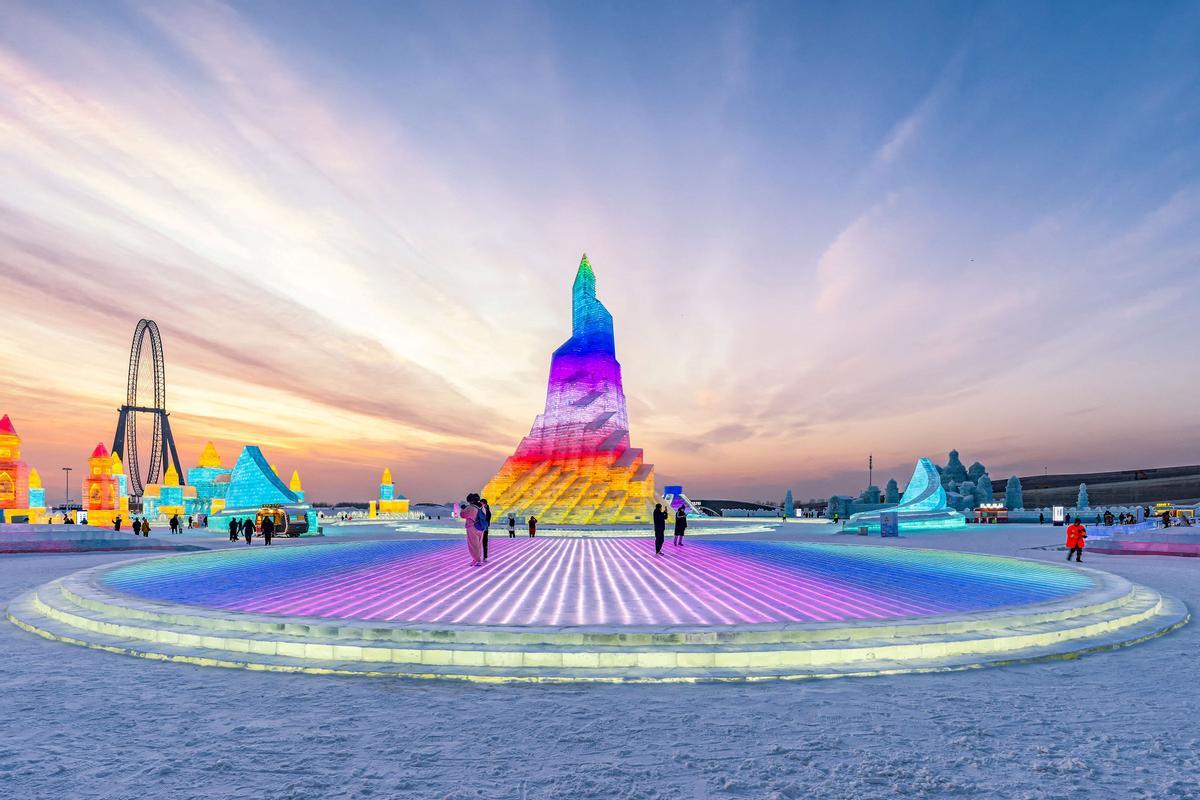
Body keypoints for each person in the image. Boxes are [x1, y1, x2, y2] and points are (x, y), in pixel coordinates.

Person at [461, 493, 484, 566]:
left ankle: (477, 560)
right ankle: (477, 558)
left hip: (472, 527)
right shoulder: (482, 507)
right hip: (481, 527)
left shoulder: (471, 507)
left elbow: (463, 515)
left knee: (473, 545)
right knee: (478, 544)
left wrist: (463, 509)